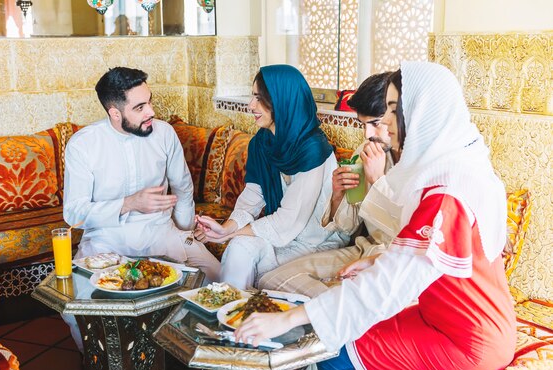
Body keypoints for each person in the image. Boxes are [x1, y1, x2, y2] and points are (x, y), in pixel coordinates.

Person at [234, 62, 516, 370]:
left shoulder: (446, 192)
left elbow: (389, 284)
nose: (383, 127)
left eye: (395, 112)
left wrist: (289, 319)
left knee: (333, 350)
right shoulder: (460, 163)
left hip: (466, 337)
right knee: (354, 340)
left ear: (425, 112)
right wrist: (376, 258)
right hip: (463, 319)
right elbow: (421, 254)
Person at [62, 67, 221, 351]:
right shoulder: (83, 144)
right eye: (139, 107)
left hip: (162, 232)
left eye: (150, 101)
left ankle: (195, 362)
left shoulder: (165, 134)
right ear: (114, 113)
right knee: (77, 306)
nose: (151, 112)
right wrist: (129, 203)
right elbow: (73, 213)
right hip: (106, 239)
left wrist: (187, 230)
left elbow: (183, 188)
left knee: (223, 282)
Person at [194, 64, 346, 291]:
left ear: (282, 102)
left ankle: (237, 313)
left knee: (248, 255)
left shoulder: (313, 149)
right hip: (283, 235)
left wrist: (226, 233)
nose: (251, 105)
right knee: (240, 247)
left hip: (315, 240)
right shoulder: (262, 142)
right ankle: (225, 315)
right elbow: (252, 197)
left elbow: (289, 220)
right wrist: (227, 228)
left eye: (259, 98)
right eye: (252, 96)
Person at [258, 71, 402, 299]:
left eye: (375, 123)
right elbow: (348, 226)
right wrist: (337, 195)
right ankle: (332, 307)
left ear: (398, 115)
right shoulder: (366, 152)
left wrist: (377, 181)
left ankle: (335, 308)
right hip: (361, 249)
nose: (367, 134)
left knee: (355, 299)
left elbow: (411, 236)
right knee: (270, 280)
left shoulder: (421, 166)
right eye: (363, 125)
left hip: (395, 261)